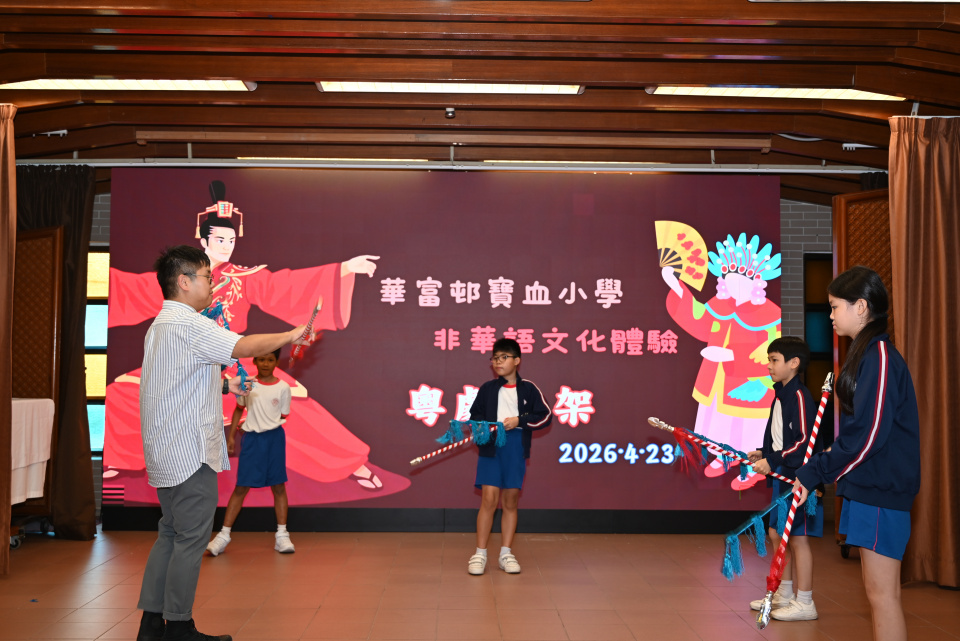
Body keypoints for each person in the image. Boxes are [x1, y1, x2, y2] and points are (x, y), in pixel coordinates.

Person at [107, 180, 387, 501]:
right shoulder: (178, 284)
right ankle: (121, 459)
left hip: (233, 365)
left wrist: (345, 269)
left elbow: (284, 286)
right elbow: (132, 290)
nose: (226, 245)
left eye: (231, 239)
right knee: (123, 394)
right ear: (203, 240)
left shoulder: (243, 277)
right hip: (186, 367)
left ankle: (350, 463)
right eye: (219, 239)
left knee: (285, 402)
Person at [136, 245, 309, 641]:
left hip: (165, 449)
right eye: (207, 277)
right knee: (190, 538)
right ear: (183, 282)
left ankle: (152, 624)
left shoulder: (161, 324)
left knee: (170, 533)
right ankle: (179, 627)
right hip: (189, 450)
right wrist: (291, 334)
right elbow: (243, 346)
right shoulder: (189, 323)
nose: (212, 284)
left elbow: (175, 381)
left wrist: (225, 386)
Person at [795, 266, 920, 641]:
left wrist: (816, 471)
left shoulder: (879, 357)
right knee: (878, 594)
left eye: (835, 307)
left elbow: (869, 436)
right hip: (868, 487)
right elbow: (858, 433)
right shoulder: (866, 356)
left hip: (881, 490)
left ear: (861, 307)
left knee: (883, 596)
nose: (830, 315)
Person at [662, 232, 782, 490]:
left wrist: (733, 356)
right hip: (716, 378)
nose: (734, 286)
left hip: (748, 383)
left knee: (748, 428)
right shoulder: (722, 304)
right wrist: (677, 286)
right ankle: (723, 455)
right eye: (729, 280)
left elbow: (772, 353)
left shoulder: (770, 315)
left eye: (741, 281)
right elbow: (700, 320)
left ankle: (753, 467)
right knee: (718, 422)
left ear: (755, 283)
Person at [746, 336, 822, 621]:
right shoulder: (780, 394)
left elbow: (803, 443)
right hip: (782, 476)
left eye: (774, 360)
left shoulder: (799, 396)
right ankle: (785, 594)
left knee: (798, 539)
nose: (769, 366)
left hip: (799, 481)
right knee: (777, 534)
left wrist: (773, 459)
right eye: (769, 360)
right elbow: (781, 437)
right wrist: (764, 452)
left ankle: (806, 602)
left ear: (794, 363)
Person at [467, 338, 551, 575]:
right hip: (491, 447)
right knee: (488, 499)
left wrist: (519, 421)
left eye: (504, 357)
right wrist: (480, 427)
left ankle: (506, 553)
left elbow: (545, 416)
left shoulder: (529, 389)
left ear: (517, 361)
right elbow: (475, 416)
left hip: (515, 447)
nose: (498, 362)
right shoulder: (487, 389)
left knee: (510, 501)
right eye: (495, 358)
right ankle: (480, 554)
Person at [207, 347, 295, 557]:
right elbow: (239, 409)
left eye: (270, 360)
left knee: (279, 486)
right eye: (262, 359)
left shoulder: (283, 387)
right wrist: (231, 437)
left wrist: (265, 422)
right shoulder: (248, 384)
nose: (265, 364)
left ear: (276, 362)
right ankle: (223, 536)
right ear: (255, 361)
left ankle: (282, 535)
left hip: (274, 440)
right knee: (241, 487)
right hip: (252, 441)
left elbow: (283, 414)